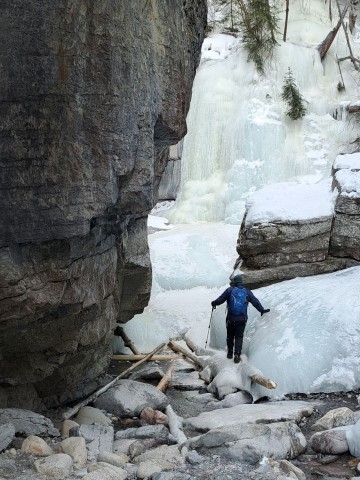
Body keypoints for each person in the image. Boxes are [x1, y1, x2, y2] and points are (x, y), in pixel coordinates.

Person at [211, 274, 270, 364]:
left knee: (230, 336)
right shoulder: (247, 292)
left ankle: (230, 353)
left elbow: (220, 300)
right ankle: (237, 355)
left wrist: (213, 303)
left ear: (234, 282)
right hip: (242, 319)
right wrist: (261, 310)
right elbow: (255, 301)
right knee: (239, 337)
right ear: (242, 282)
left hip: (231, 319)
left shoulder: (229, 290)